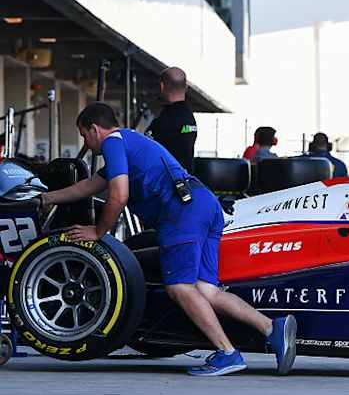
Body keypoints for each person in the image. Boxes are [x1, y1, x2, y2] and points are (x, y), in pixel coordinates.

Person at [40, 102, 296, 376]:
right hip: (204, 205)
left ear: (94, 129)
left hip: (182, 213)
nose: (86, 144)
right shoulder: (130, 143)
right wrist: (48, 197)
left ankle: (228, 353)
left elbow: (118, 195)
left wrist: (97, 232)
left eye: (84, 136)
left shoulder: (113, 143)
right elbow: (91, 186)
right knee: (206, 290)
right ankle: (272, 327)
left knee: (178, 287)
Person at [146, 67, 197, 172]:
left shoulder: (163, 122)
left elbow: (144, 152)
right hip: (185, 181)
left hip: (164, 183)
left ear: (162, 86)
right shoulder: (189, 118)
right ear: (186, 87)